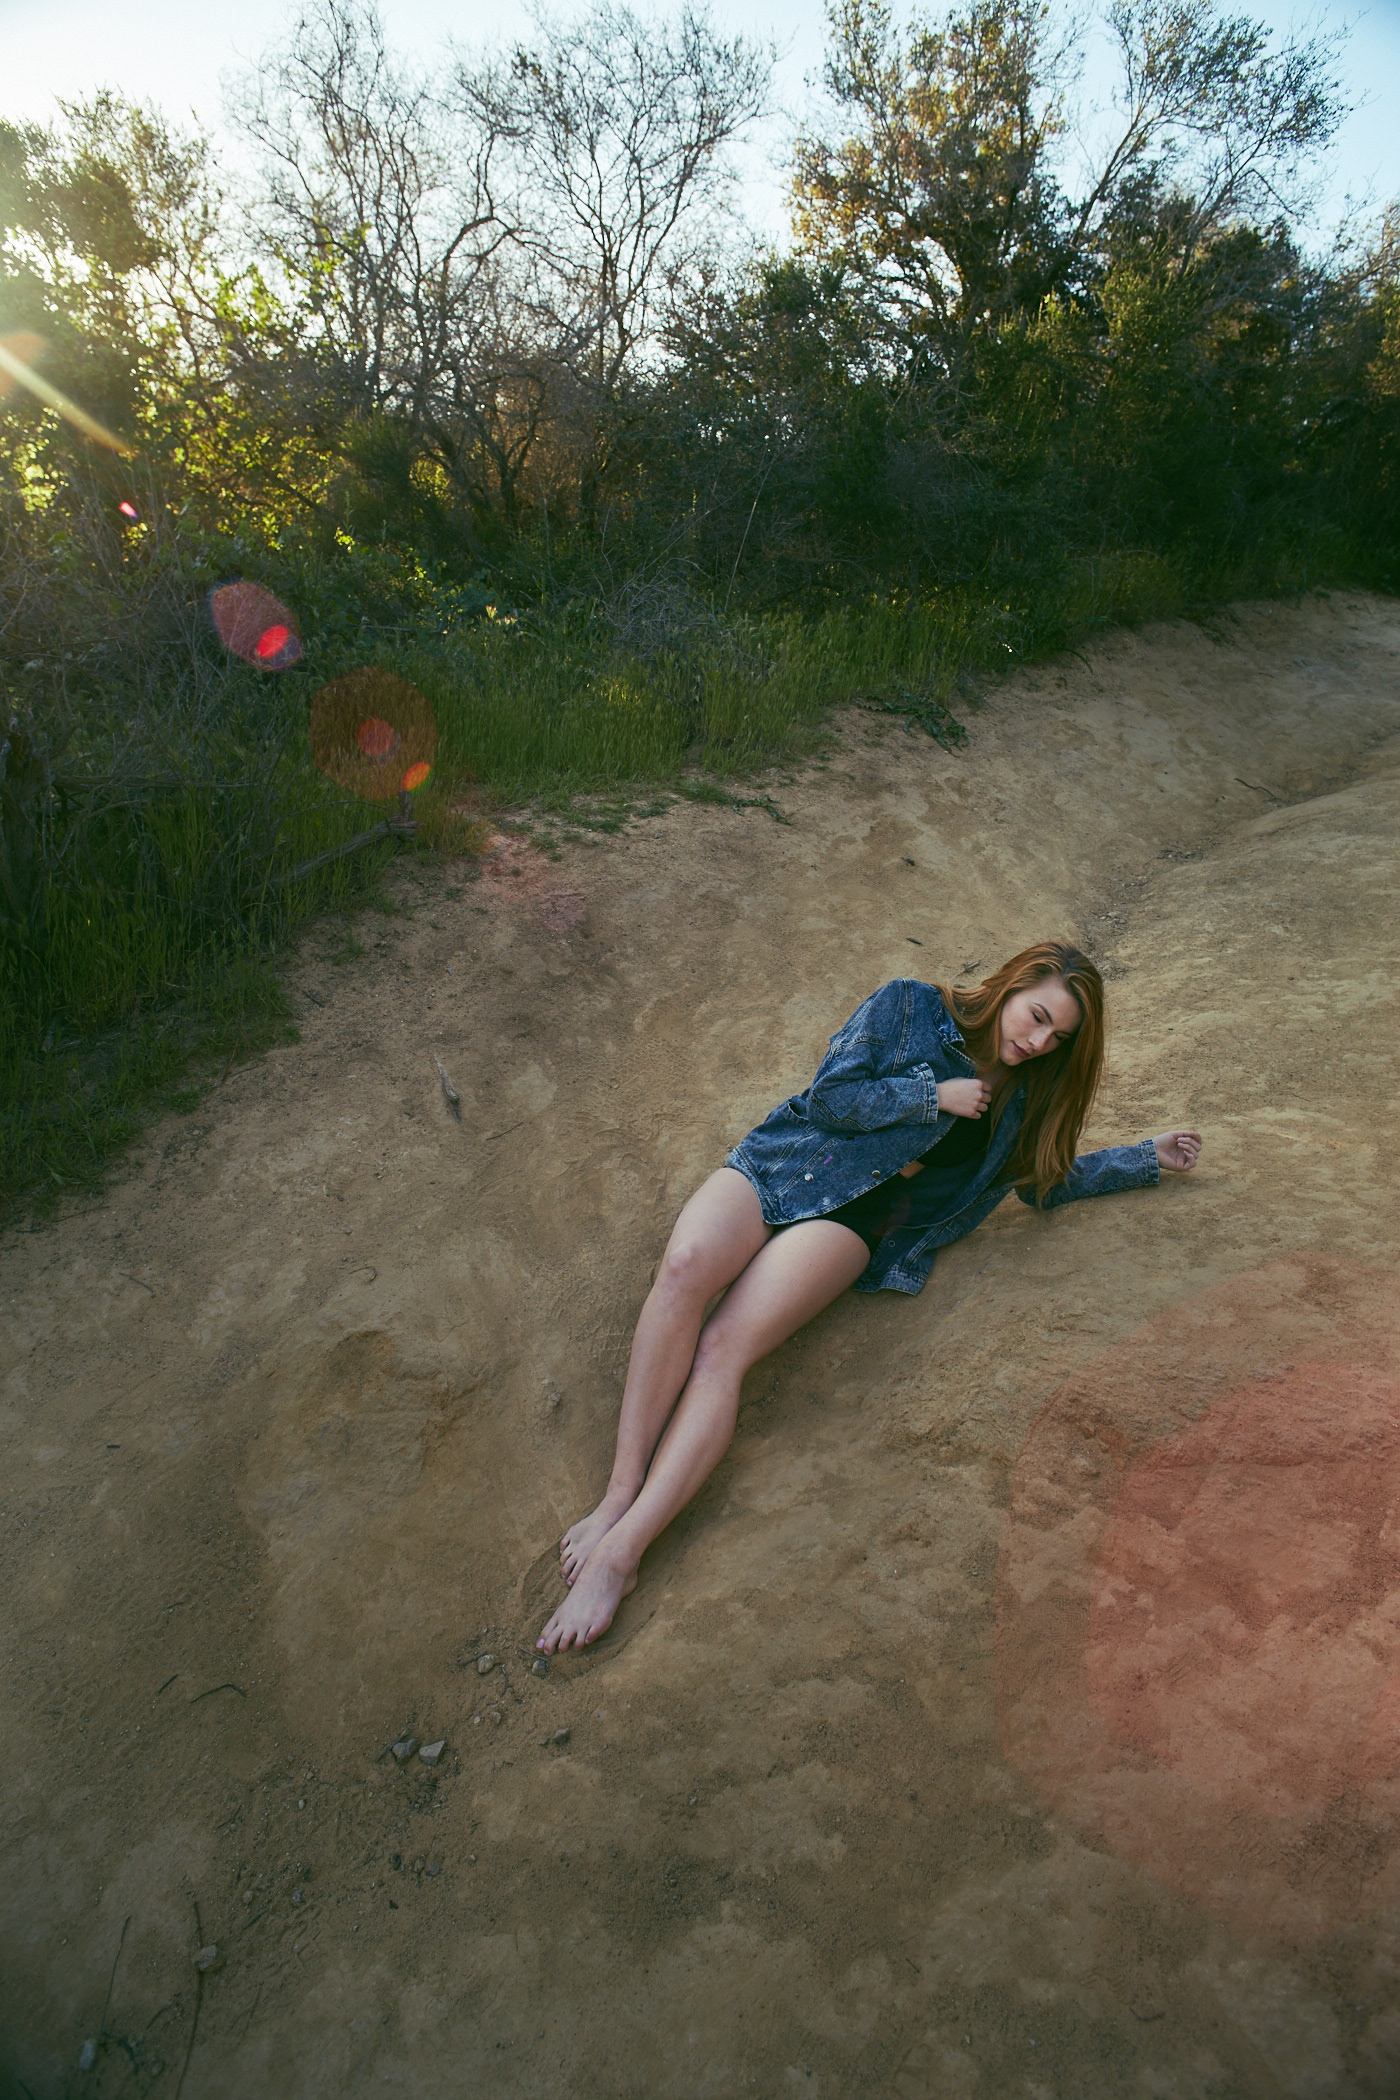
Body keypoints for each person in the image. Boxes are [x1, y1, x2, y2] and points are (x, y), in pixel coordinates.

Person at [537, 941, 1201, 1654]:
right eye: (1036, 1016)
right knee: (684, 1268)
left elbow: (1044, 1183)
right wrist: (930, 1096)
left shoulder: (1025, 1098)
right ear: (1011, 986)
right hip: (789, 1156)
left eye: (1056, 1038)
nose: (1036, 1042)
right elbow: (832, 1095)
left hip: (855, 1220)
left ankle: (623, 1554)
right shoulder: (912, 1006)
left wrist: (1140, 1157)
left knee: (726, 1346)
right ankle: (617, 1494)